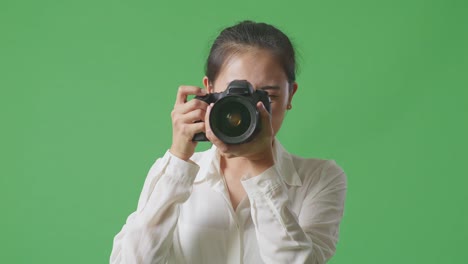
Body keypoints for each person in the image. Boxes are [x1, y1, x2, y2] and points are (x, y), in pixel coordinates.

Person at [110, 20, 347, 264]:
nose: (252, 111)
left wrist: (261, 165)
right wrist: (178, 160)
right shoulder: (172, 173)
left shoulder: (320, 178)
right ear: (209, 91)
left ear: (290, 95)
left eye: (268, 96)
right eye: (235, 97)